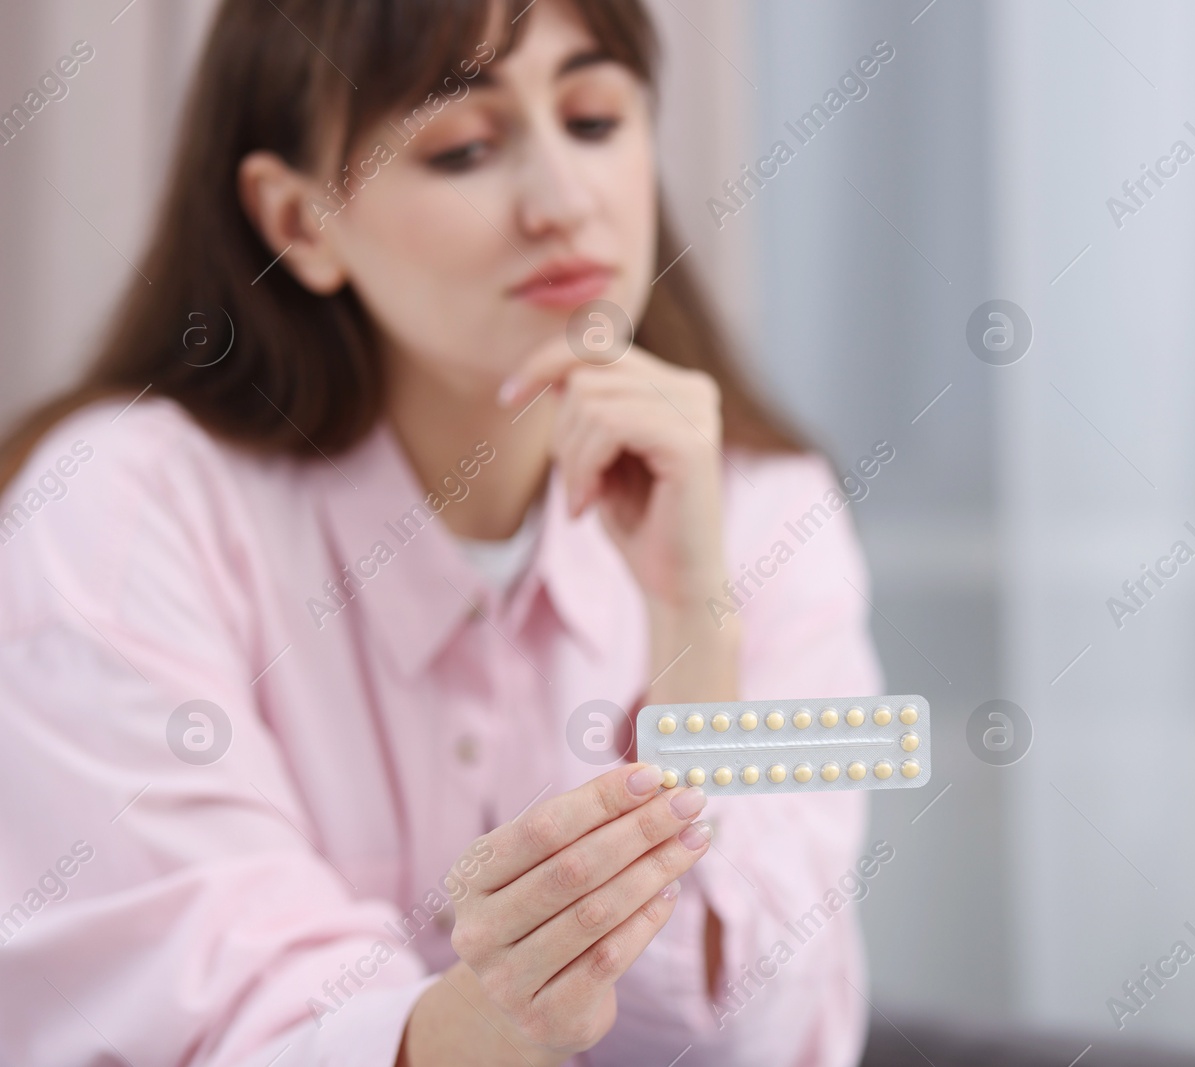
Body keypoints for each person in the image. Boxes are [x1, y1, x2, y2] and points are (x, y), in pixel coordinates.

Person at [0, 1, 882, 1064]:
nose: (565, 203)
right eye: (463, 147)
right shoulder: (126, 512)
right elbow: (211, 1007)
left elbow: (765, 1037)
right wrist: (492, 1012)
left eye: (595, 121)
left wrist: (693, 620)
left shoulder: (760, 511)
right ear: (299, 223)